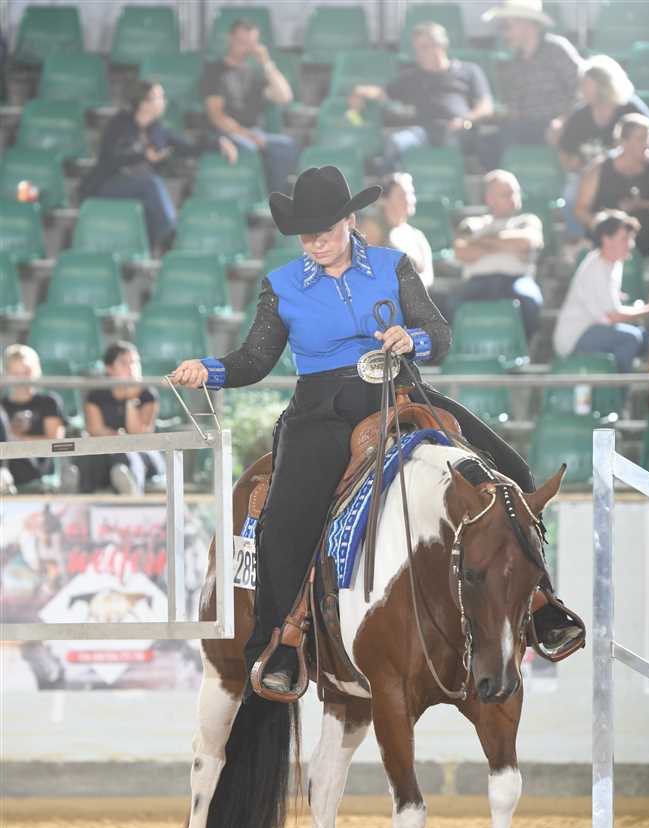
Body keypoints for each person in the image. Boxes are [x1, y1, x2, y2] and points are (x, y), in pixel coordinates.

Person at [170, 165, 584, 693]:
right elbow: (255, 359)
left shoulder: (394, 265)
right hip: (321, 408)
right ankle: (280, 642)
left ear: (350, 220)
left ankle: (543, 604)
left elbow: (439, 333)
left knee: (514, 472)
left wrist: (413, 339)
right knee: (286, 520)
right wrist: (209, 370)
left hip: (401, 389)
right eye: (306, 234)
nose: (315, 242)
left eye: (325, 229)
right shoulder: (282, 285)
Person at [80, 80, 237, 252]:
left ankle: (155, 248)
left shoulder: (158, 130)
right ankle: (172, 236)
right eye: (159, 97)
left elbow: (188, 147)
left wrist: (218, 143)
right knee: (152, 184)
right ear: (144, 103)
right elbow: (109, 159)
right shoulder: (119, 124)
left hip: (138, 189)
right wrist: (142, 156)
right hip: (107, 185)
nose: (164, 101)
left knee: (151, 195)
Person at [349, 22, 493, 170]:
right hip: (424, 132)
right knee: (395, 142)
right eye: (417, 49)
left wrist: (465, 120)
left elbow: (486, 106)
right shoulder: (412, 77)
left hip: (459, 131)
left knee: (453, 147)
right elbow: (383, 93)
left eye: (424, 48)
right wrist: (360, 90)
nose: (419, 53)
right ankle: (389, 180)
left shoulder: (469, 70)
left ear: (441, 46)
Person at [553, 212, 649, 393]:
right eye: (624, 239)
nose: (630, 244)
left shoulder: (613, 264)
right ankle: (619, 396)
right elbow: (613, 316)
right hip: (576, 337)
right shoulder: (596, 267)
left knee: (648, 339)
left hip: (595, 330)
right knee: (630, 338)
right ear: (607, 240)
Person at [558, 56, 649, 238]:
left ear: (603, 85)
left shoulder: (630, 108)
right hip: (588, 175)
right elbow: (565, 152)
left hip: (630, 173)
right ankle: (583, 240)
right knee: (571, 196)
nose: (582, 89)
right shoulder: (580, 115)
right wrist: (575, 164)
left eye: (587, 84)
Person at [201, 18, 299, 194]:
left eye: (251, 43)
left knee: (286, 145)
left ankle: (277, 199)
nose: (246, 47)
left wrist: (266, 63)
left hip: (255, 132)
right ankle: (260, 197)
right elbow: (216, 116)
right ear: (230, 38)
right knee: (249, 148)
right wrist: (246, 134)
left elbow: (285, 96)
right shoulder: (214, 71)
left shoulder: (255, 72)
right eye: (242, 42)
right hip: (225, 134)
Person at [448, 170, 544, 340]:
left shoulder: (527, 221)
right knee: (451, 305)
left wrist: (481, 242)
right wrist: (507, 246)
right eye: (506, 194)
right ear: (489, 199)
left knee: (530, 301)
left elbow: (527, 242)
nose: (513, 198)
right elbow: (461, 251)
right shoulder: (472, 224)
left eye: (515, 192)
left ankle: (527, 346)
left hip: (516, 280)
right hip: (477, 282)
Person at [482, 0, 582, 156]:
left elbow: (582, 90)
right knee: (487, 143)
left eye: (507, 26)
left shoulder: (557, 49)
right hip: (523, 127)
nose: (504, 34)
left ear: (526, 24)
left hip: (557, 126)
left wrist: (563, 120)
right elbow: (513, 108)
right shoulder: (514, 62)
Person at [77, 341, 164, 495]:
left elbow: (139, 434)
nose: (132, 368)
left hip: (142, 452)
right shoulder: (96, 396)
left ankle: (131, 489)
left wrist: (130, 401)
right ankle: (81, 494)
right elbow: (95, 430)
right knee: (92, 456)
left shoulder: (148, 395)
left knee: (126, 456)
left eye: (135, 362)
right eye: (124, 363)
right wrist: (118, 438)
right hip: (107, 449)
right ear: (109, 368)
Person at [576, 114, 649, 258]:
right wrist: (607, 226)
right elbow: (581, 209)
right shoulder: (599, 168)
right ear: (623, 141)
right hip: (608, 247)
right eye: (640, 139)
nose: (647, 144)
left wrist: (642, 204)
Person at [0, 344, 66, 492]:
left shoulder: (49, 402)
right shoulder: (2, 405)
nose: (22, 379)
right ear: (7, 374)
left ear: (36, 370)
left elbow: (55, 443)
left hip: (37, 467)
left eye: (27, 372)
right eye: (16, 373)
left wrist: (17, 439)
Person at [361, 173, 434, 289]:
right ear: (384, 200)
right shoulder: (372, 229)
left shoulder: (417, 235)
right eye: (401, 195)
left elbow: (428, 275)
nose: (408, 200)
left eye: (411, 194)